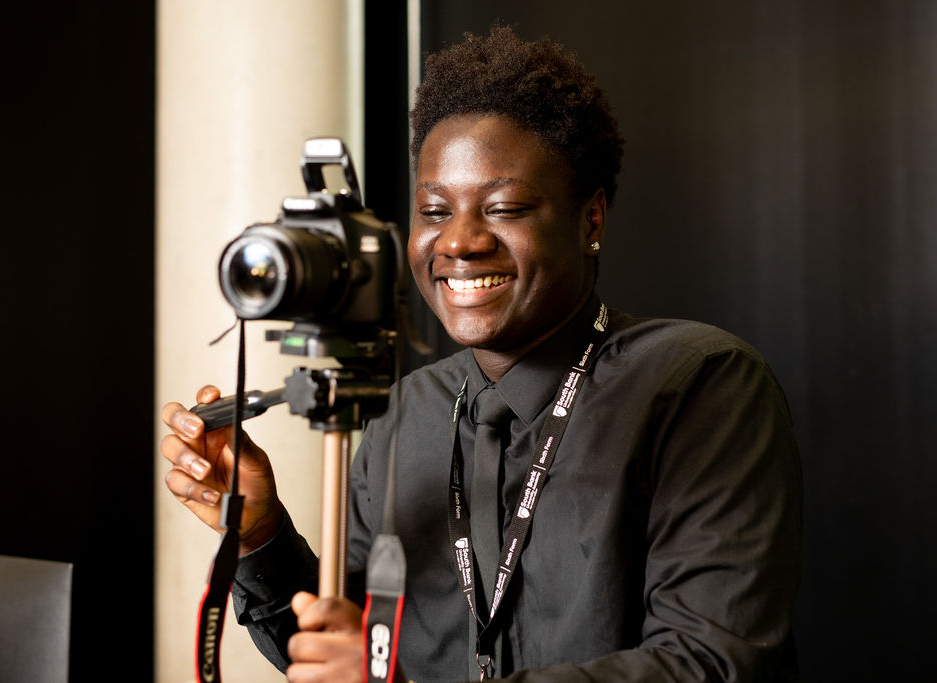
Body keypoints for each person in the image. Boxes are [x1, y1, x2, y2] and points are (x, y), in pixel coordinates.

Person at [161, 26, 802, 682]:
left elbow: (714, 663)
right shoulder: (401, 413)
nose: (460, 241)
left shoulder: (700, 384)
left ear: (592, 220)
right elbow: (344, 653)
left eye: (504, 208)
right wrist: (260, 533)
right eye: (434, 210)